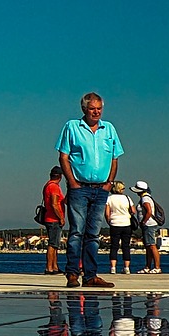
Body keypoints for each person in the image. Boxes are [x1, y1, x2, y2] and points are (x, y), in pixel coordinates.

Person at [56, 92, 123, 288]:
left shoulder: (108, 129)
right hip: (79, 188)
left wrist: (109, 182)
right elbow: (63, 156)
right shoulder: (72, 127)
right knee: (77, 231)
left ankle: (91, 275)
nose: (96, 112)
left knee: (93, 233)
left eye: (99, 108)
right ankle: (72, 274)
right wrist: (72, 182)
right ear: (84, 109)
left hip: (101, 188)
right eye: (92, 108)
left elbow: (115, 158)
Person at [130, 181, 162, 273]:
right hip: (148, 225)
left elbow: (149, 211)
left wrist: (143, 221)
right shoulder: (146, 198)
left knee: (152, 246)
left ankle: (157, 267)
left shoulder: (145, 199)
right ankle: (148, 267)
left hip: (149, 225)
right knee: (148, 246)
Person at [105, 181, 135, 275]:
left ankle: (113, 268)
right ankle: (126, 268)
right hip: (126, 223)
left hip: (114, 223)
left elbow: (107, 213)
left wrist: (109, 221)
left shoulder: (109, 198)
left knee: (114, 246)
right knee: (126, 246)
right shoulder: (127, 198)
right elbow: (133, 210)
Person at [42, 166, 66, 275]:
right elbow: (54, 204)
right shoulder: (54, 187)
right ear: (60, 176)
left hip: (50, 218)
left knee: (55, 244)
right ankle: (49, 267)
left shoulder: (48, 185)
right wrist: (60, 217)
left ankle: (54, 266)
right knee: (53, 244)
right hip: (53, 219)